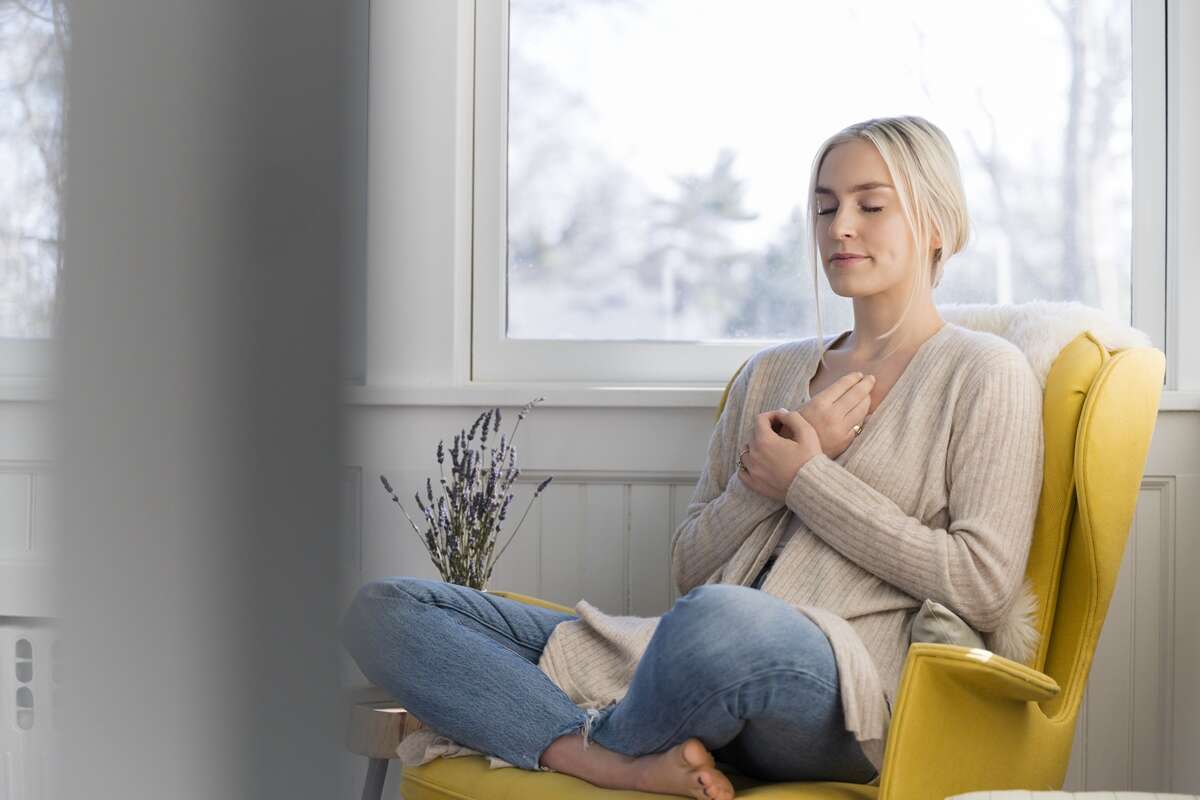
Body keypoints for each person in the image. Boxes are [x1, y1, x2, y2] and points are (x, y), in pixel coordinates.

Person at [338, 115, 1045, 800]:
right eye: (825, 207)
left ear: (937, 226)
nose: (840, 227)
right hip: (681, 653)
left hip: (840, 690)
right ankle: (604, 760)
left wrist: (806, 478)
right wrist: (759, 487)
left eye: (871, 205)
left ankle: (583, 737)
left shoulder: (986, 372)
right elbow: (690, 567)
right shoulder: (769, 374)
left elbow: (981, 582)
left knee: (719, 623)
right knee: (386, 609)